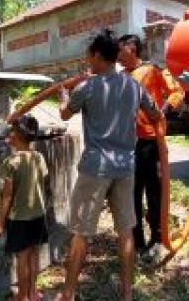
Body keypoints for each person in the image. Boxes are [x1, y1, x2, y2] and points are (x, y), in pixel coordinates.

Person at [54, 29, 163, 301]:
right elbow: (155, 113)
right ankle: (127, 293)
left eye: (89, 54)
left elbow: (65, 115)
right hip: (126, 167)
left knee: (81, 234)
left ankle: (68, 293)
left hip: (96, 168)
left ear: (99, 56)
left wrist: (63, 97)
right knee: (125, 231)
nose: (86, 59)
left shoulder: (87, 87)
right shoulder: (133, 86)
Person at [117, 34, 185, 260]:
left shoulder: (152, 70)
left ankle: (157, 238)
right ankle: (137, 241)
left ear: (132, 49)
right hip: (128, 144)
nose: (117, 54)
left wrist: (162, 113)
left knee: (154, 191)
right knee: (132, 193)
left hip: (150, 141)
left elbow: (177, 91)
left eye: (120, 49)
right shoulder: (119, 77)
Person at [0, 115, 48, 301]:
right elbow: (42, 183)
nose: (9, 134)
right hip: (38, 216)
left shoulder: (11, 162)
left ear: (17, 136)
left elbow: (8, 196)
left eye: (12, 131)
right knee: (33, 254)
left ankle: (22, 296)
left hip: (20, 219)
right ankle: (33, 292)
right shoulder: (39, 158)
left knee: (21, 258)